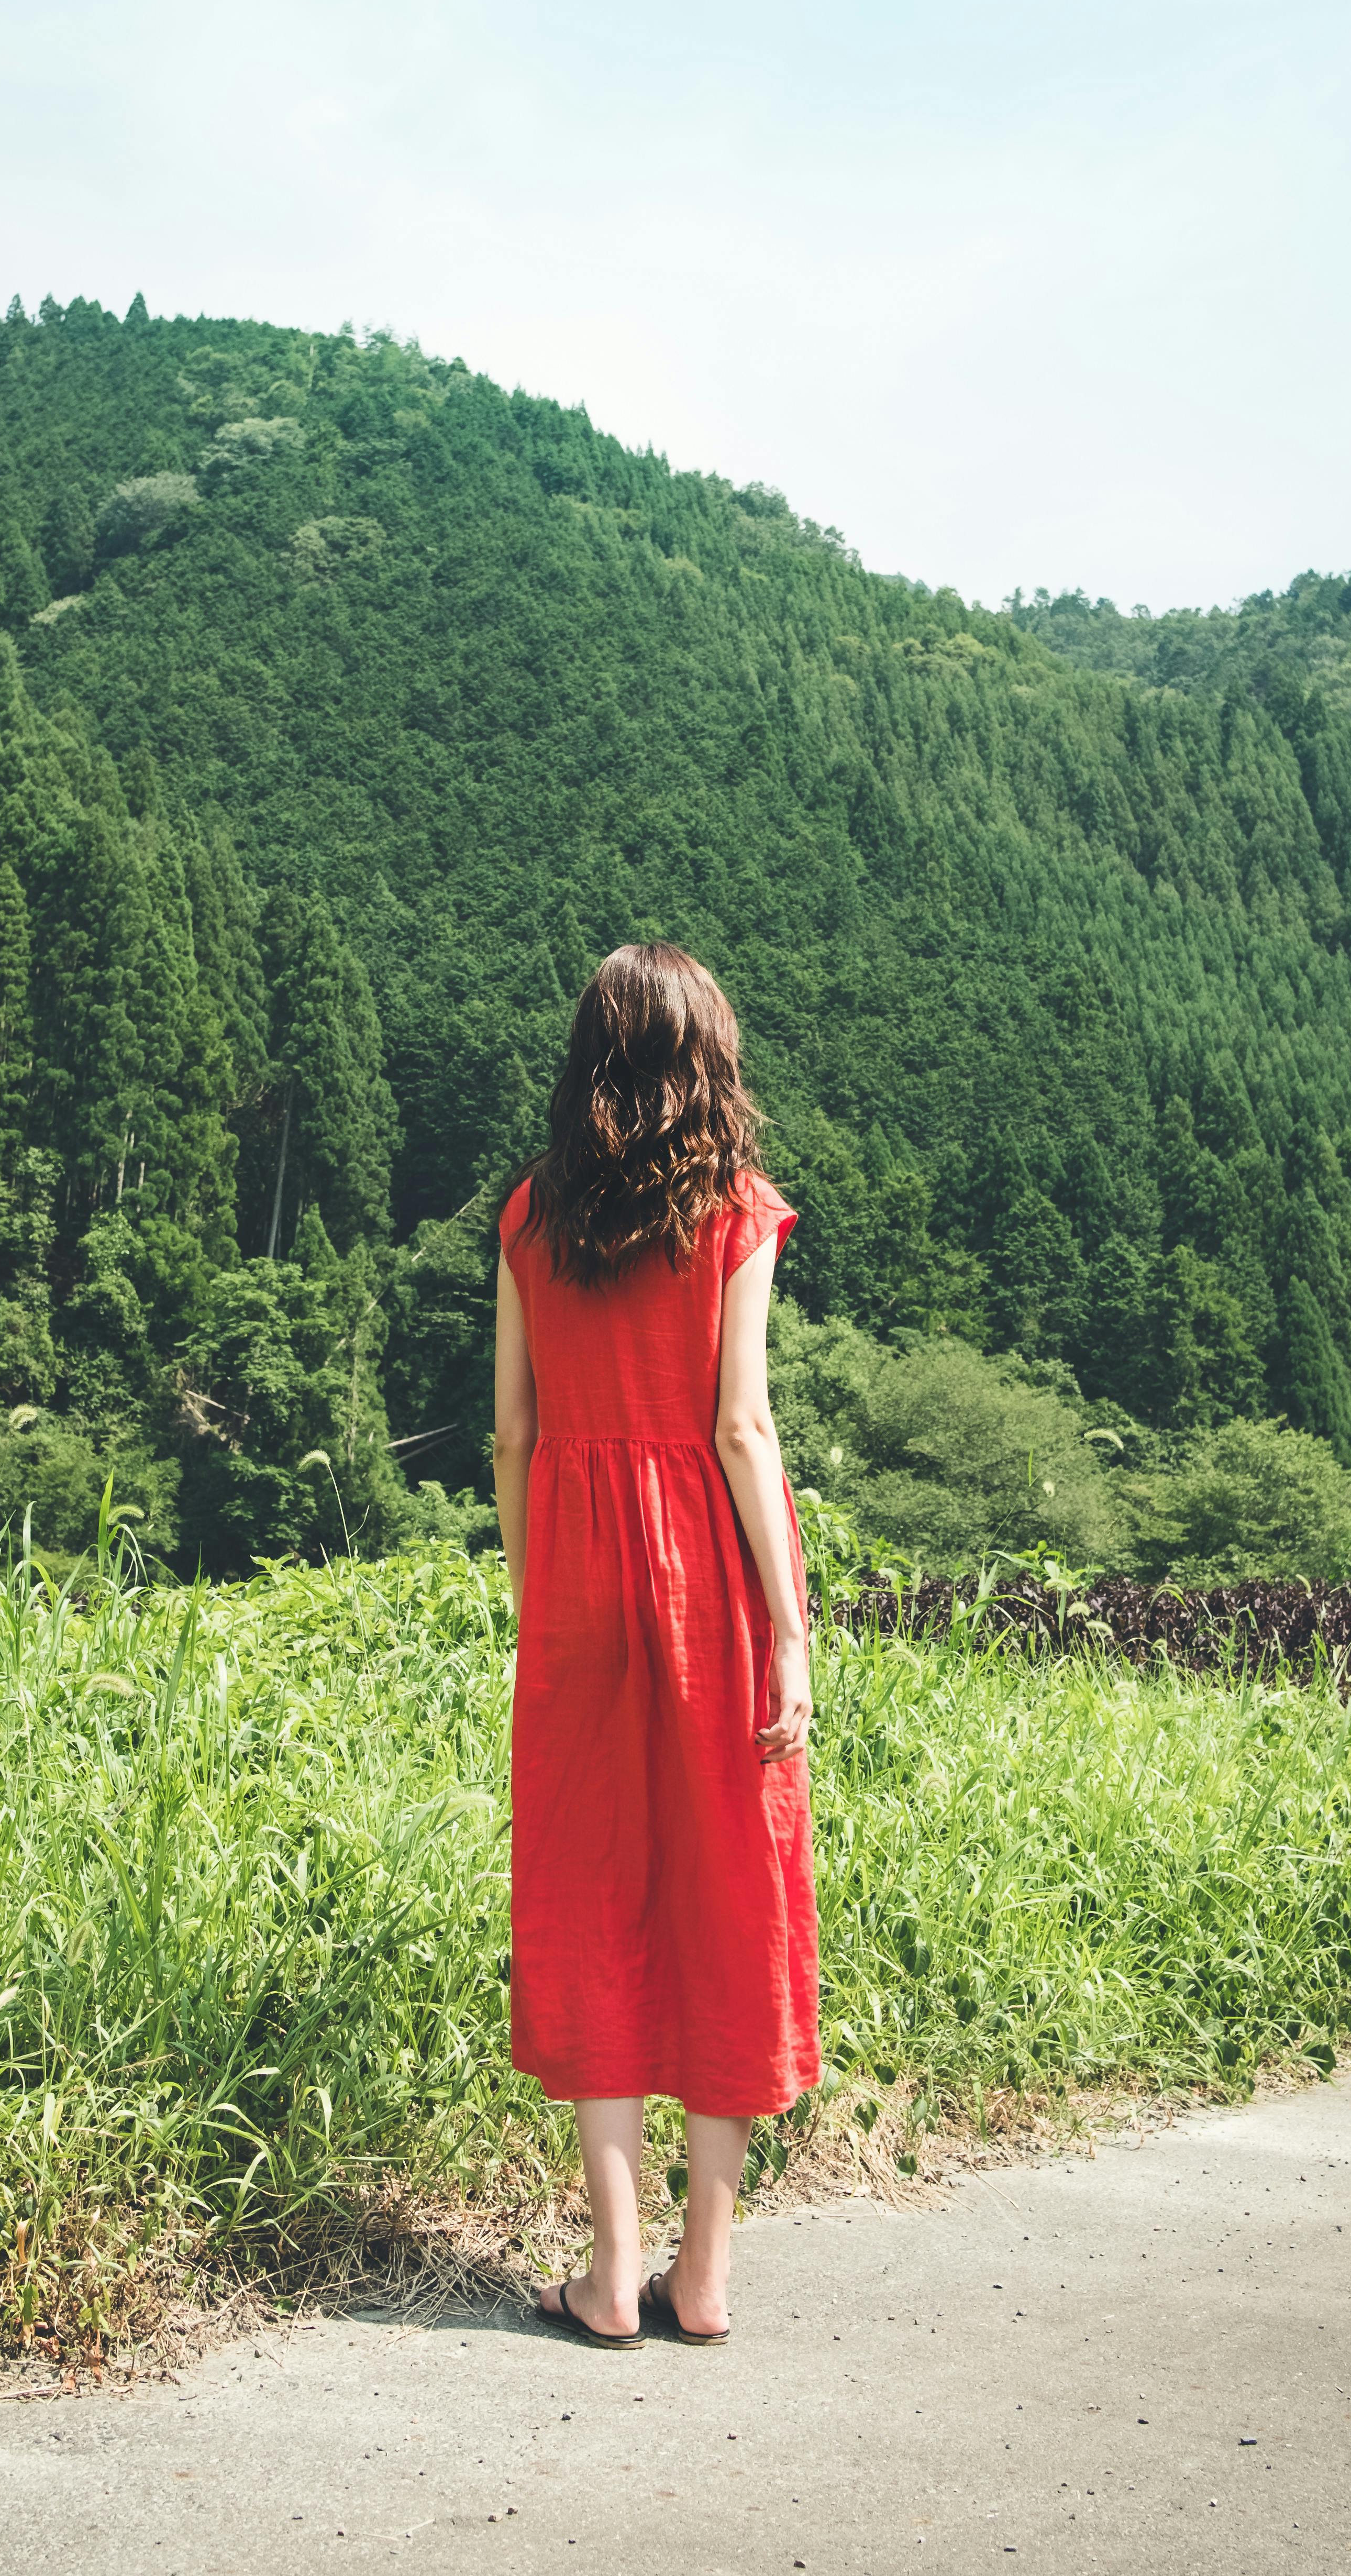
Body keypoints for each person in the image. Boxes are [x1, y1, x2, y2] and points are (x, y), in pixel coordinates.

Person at [493, 941, 820, 2350]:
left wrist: (540, 1588)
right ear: (706, 1062)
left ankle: (608, 2275)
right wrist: (791, 1628)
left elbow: (512, 1432)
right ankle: (703, 2277)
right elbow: (742, 1426)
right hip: (712, 1585)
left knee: (595, 1892)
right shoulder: (738, 1212)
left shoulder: (530, 1215)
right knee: (728, 1891)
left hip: (577, 1576)